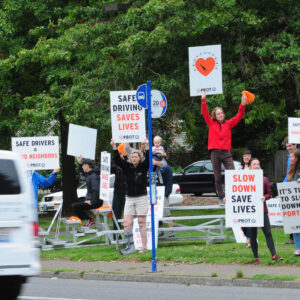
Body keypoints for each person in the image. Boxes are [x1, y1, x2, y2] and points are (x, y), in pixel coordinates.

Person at [201, 92, 246, 205]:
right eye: (218, 114)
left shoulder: (228, 124)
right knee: (217, 177)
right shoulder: (211, 124)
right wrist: (203, 100)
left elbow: (239, 115)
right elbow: (205, 113)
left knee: (232, 174)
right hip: (215, 152)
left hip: (226, 153)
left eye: (221, 113)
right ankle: (221, 197)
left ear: (224, 114)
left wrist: (243, 104)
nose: (220, 115)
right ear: (215, 116)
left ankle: (232, 195)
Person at [111, 138, 149, 254]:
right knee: (127, 223)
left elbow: (149, 159)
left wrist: (146, 146)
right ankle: (130, 246)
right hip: (130, 197)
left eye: (136, 157)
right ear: (130, 159)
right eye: (132, 157)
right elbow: (117, 159)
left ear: (139, 158)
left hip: (141, 197)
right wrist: (114, 147)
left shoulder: (143, 166)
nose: (134, 159)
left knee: (141, 222)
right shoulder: (127, 168)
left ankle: (144, 247)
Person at [248, 158, 283, 265]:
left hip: (262, 210)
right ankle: (256, 258)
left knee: (268, 232)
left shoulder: (264, 179)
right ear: (250, 167)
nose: (256, 166)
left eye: (258, 164)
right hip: (250, 211)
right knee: (253, 235)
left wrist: (265, 197)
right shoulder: (244, 180)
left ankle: (274, 255)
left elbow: (269, 193)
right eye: (254, 164)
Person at [72, 158, 102, 228]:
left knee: (75, 206)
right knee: (77, 201)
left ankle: (90, 220)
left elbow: (96, 190)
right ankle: (89, 220)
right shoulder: (90, 174)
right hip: (91, 198)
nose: (82, 167)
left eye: (83, 165)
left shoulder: (93, 176)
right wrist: (80, 163)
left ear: (87, 166)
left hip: (96, 201)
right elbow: (83, 172)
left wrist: (92, 202)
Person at [283, 136, 298, 244]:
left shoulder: (298, 155)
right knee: (293, 214)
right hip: (291, 188)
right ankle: (293, 238)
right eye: (287, 146)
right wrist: (284, 185)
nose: (288, 148)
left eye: (290, 145)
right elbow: (289, 174)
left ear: (295, 145)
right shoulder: (289, 156)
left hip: (297, 186)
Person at [287, 150, 300, 256]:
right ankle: (298, 249)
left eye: (291, 157)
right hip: (294, 201)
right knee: (294, 224)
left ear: (296, 158)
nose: (290, 159)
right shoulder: (291, 170)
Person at [239, 150, 252, 247]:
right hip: (242, 198)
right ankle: (248, 237)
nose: (246, 157)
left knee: (250, 220)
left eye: (248, 155)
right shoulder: (239, 169)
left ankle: (249, 240)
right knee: (242, 221)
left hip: (251, 197)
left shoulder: (254, 168)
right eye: (245, 155)